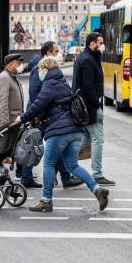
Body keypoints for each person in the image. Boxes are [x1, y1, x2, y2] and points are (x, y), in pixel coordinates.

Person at [16, 56, 109, 212]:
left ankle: (46, 200)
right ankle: (96, 189)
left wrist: (22, 117)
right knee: (72, 165)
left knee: (49, 164)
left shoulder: (49, 84)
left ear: (45, 70)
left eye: (40, 70)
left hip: (59, 131)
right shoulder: (62, 82)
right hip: (75, 130)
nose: (39, 73)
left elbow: (37, 104)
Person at [27, 41, 81, 189]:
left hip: (47, 114)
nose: (58, 54)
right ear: (48, 53)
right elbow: (35, 94)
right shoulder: (39, 69)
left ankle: (65, 177)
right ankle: (27, 176)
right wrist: (37, 113)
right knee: (33, 145)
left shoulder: (49, 69)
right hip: (40, 114)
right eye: (56, 51)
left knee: (55, 146)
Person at [74, 32, 115, 186]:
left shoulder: (87, 57)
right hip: (89, 107)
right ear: (92, 43)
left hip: (86, 107)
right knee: (98, 139)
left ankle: (64, 164)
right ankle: (97, 174)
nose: (102, 45)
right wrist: (96, 106)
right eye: (100, 42)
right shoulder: (87, 60)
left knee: (86, 138)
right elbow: (88, 86)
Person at [0, 53, 40, 188]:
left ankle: (22, 174)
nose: (20, 66)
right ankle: (0, 175)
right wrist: (4, 126)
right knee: (7, 151)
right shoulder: (4, 78)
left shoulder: (11, 77)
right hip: (10, 123)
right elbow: (2, 104)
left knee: (20, 149)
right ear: (10, 64)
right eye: (18, 63)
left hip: (17, 121)